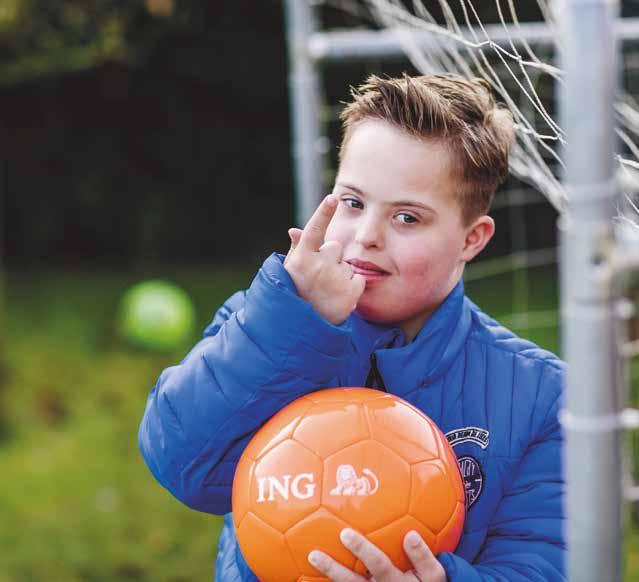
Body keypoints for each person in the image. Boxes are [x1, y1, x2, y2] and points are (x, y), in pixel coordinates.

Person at [138, 73, 565, 581]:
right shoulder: (266, 326)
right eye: (353, 202)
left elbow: (546, 564)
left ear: (472, 239)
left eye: (407, 218)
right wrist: (291, 319)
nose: (366, 237)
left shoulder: (540, 396)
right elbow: (181, 463)